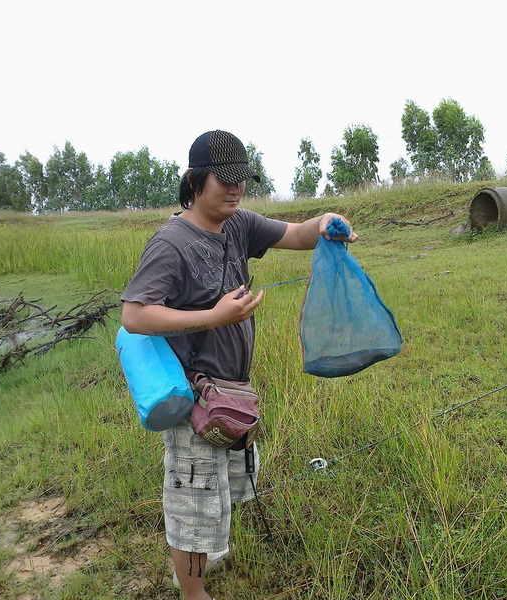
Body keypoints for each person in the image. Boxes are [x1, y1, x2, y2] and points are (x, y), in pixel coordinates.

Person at [121, 130, 357, 600]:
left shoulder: (239, 224)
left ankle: (203, 572)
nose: (234, 189)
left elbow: (295, 233)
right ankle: (192, 593)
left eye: (241, 180)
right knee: (193, 501)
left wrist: (328, 221)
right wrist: (214, 316)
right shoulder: (171, 243)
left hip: (233, 392)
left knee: (221, 491)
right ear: (194, 180)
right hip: (194, 397)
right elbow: (135, 313)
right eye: (223, 180)